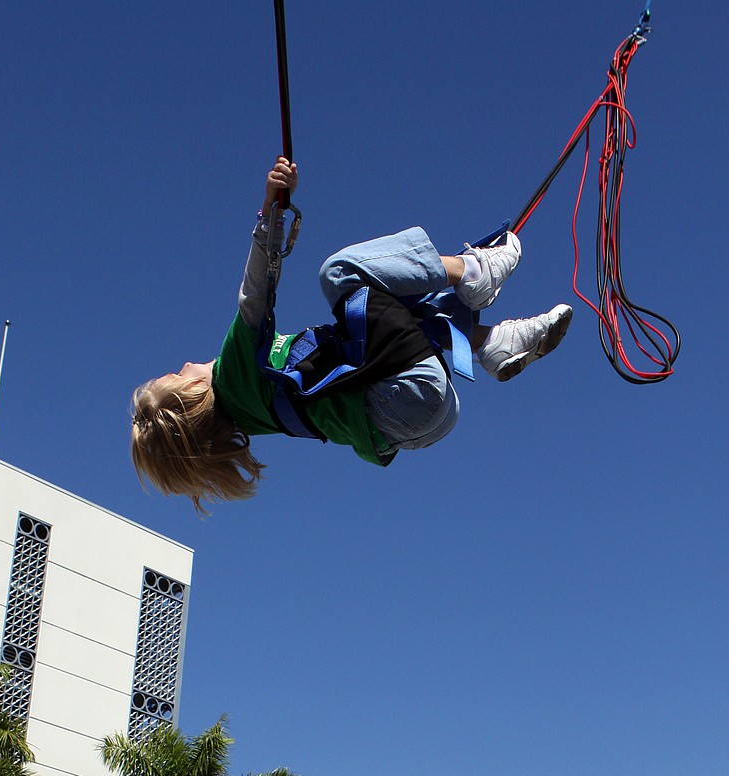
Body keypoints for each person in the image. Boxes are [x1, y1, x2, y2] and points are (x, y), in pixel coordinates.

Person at [132, 157, 572, 513]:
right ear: (191, 390)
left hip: (414, 422)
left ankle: (492, 345)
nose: (185, 363)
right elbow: (255, 295)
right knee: (340, 274)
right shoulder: (232, 379)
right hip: (403, 391)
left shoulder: (248, 417)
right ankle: (473, 271)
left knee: (375, 319)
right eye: (176, 372)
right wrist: (272, 212)